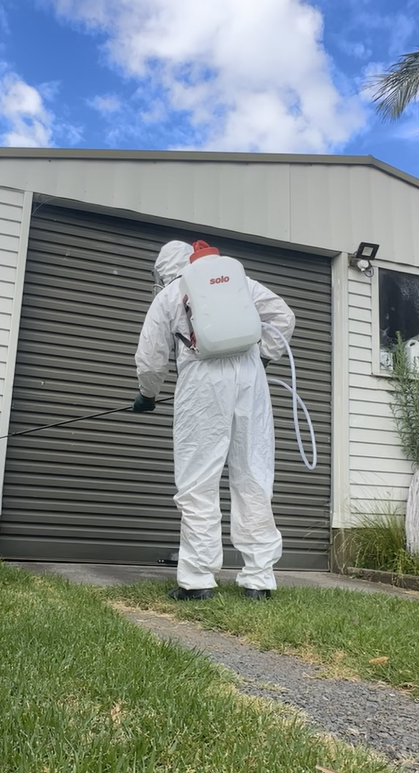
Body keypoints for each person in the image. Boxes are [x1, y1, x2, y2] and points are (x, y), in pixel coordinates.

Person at [133, 239, 296, 601]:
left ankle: (198, 579)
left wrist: (147, 394)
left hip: (202, 386)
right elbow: (284, 316)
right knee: (253, 475)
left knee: (197, 481)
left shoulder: (169, 295)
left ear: (164, 271)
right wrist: (263, 357)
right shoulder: (241, 283)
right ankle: (259, 579)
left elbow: (151, 357)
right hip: (250, 382)